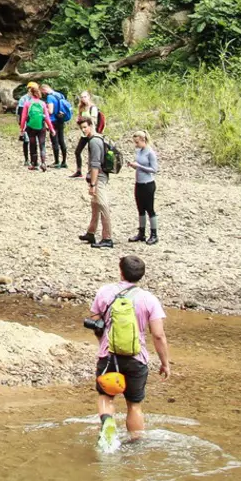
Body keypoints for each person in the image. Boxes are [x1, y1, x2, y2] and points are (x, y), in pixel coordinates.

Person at [89, 254, 171, 449]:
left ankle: (108, 422)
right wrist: (165, 363)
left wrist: (102, 341)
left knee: (106, 397)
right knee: (134, 405)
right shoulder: (149, 299)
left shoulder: (104, 292)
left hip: (108, 356)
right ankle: (136, 446)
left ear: (121, 271)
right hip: (137, 358)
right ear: (141, 276)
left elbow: (94, 321)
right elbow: (158, 335)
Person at [78, 119, 114, 248]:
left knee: (103, 206)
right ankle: (91, 232)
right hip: (98, 177)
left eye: (85, 127)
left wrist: (93, 184)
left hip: (99, 178)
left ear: (92, 125)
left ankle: (107, 238)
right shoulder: (97, 139)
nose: (83, 130)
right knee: (95, 205)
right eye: (82, 128)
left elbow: (95, 165)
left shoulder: (94, 141)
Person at [130, 131, 159, 243]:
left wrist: (139, 166)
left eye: (137, 142)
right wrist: (134, 166)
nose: (136, 144)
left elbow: (154, 169)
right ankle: (141, 232)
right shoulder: (139, 151)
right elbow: (139, 166)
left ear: (143, 140)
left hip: (148, 184)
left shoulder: (150, 153)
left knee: (150, 209)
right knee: (140, 208)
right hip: (139, 183)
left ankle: (154, 234)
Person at [16, 83, 50, 171]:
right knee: (42, 145)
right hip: (41, 126)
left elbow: (22, 115)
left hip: (30, 126)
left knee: (32, 144)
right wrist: (51, 128)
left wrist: (22, 127)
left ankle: (33, 164)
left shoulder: (26, 102)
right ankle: (43, 163)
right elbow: (46, 117)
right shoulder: (42, 103)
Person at [71, 92, 104, 177]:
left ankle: (92, 172)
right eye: (82, 97)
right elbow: (79, 119)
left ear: (89, 97)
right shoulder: (81, 108)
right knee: (77, 151)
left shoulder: (93, 108)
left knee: (92, 153)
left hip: (92, 133)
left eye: (85, 97)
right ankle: (79, 171)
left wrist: (84, 120)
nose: (83, 99)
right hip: (84, 133)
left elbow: (94, 121)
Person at [44, 83, 73, 168]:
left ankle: (56, 162)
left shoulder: (50, 97)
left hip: (53, 121)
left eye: (43, 92)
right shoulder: (60, 94)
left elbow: (51, 111)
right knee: (62, 141)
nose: (43, 94)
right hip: (61, 119)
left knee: (55, 141)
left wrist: (45, 108)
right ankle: (64, 162)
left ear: (45, 90)